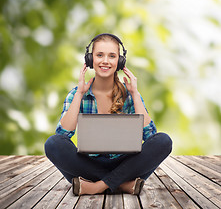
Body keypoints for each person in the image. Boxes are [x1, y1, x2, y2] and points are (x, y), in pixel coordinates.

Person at [44, 33, 172, 196]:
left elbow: (150, 136)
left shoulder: (130, 94)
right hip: (89, 164)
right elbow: (62, 134)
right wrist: (79, 95)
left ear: (120, 61)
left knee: (164, 141)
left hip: (126, 163)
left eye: (112, 56)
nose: (105, 61)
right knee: (52, 144)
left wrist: (135, 93)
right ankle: (122, 184)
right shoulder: (78, 93)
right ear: (90, 59)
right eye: (99, 55)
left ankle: (96, 186)